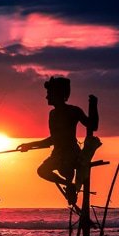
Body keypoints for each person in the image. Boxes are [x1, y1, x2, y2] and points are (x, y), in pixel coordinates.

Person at [17, 76, 98, 206]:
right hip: (58, 154)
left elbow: (93, 126)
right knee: (42, 171)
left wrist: (94, 106)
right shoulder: (53, 114)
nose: (47, 97)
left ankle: (69, 187)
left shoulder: (73, 111)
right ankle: (69, 186)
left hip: (70, 154)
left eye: (49, 94)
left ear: (59, 94)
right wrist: (29, 145)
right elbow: (52, 140)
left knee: (59, 170)